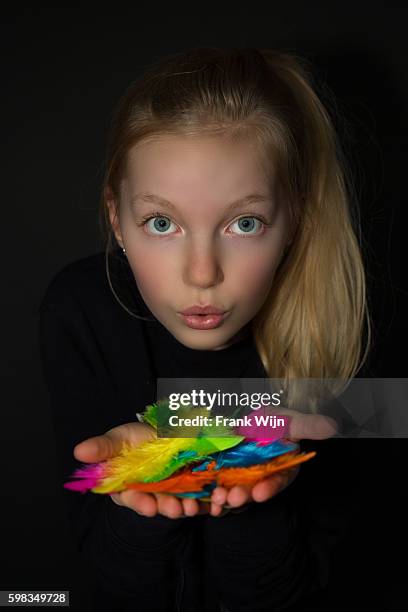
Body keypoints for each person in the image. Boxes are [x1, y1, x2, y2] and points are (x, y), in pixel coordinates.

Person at [38, 47, 371, 611]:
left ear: (295, 221)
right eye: (161, 223)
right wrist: (134, 502)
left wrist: (252, 500)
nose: (202, 273)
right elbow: (102, 580)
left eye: (244, 223)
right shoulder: (81, 310)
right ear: (118, 220)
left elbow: (327, 587)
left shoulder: (344, 334)